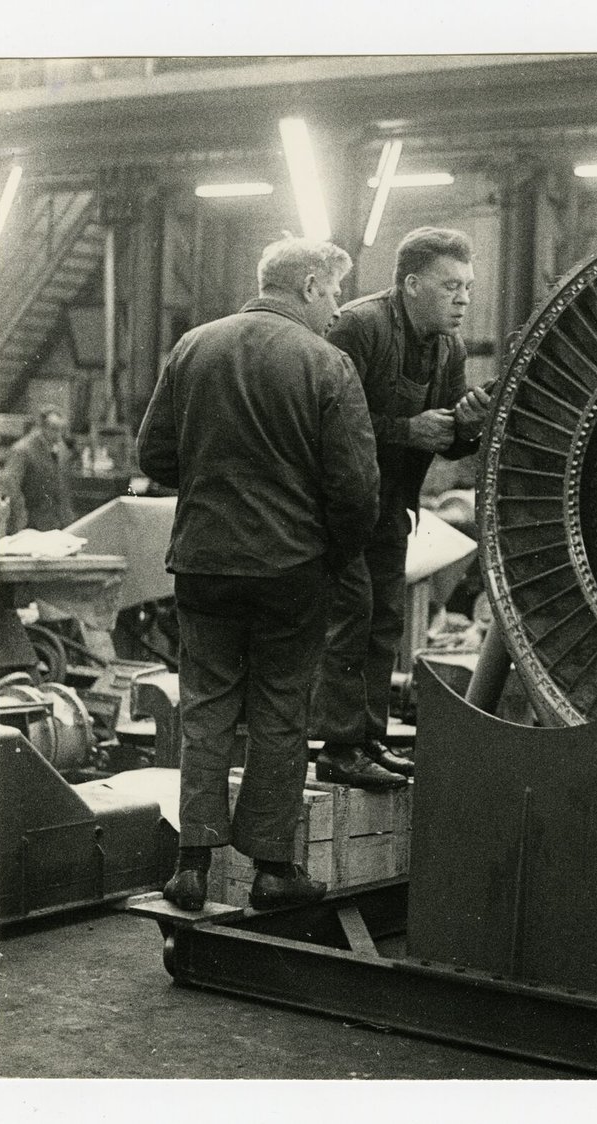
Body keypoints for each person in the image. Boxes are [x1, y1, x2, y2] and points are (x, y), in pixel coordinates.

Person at [137, 237, 380, 911]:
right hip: (289, 569)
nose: (336, 309)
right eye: (332, 293)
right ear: (307, 286)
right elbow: (356, 489)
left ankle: (191, 865)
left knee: (206, 706)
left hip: (203, 564)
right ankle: (273, 871)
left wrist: (217, 482)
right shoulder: (327, 364)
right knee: (279, 710)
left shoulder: (194, 347)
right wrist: (332, 554)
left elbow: (154, 451)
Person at [310, 226, 492, 789]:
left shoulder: (449, 348)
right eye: (450, 286)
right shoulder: (358, 327)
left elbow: (446, 441)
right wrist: (406, 430)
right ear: (412, 285)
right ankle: (339, 746)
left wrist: (467, 426)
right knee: (354, 616)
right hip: (337, 509)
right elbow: (323, 423)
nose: (463, 299)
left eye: (467, 287)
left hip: (390, 506)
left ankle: (367, 739)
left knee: (385, 621)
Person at [1, 406, 74, 530]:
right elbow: (9, 483)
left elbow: (63, 486)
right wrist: (21, 516)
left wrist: (67, 518)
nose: (59, 435)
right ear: (41, 427)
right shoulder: (22, 450)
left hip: (58, 522)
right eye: (54, 429)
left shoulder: (62, 449)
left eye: (62, 430)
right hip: (30, 524)